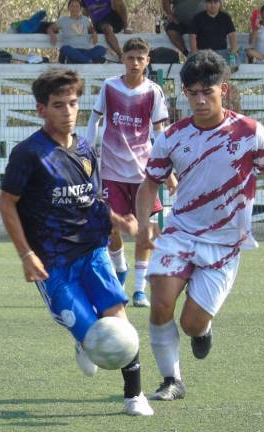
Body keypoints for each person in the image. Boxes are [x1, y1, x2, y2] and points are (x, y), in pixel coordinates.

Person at [134, 50, 264, 401]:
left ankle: (202, 330)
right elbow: (150, 184)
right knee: (161, 303)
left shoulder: (250, 132)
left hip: (225, 242)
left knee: (191, 323)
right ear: (184, 94)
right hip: (181, 233)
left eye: (207, 92)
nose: (200, 100)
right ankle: (171, 380)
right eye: (192, 93)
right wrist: (145, 224)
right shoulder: (172, 136)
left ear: (224, 89)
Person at [0, 68, 153, 416]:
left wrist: (119, 221)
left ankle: (134, 396)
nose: (68, 112)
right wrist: (25, 254)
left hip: (92, 250)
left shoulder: (85, 147)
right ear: (41, 110)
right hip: (53, 263)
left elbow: (92, 199)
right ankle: (84, 343)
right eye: (58, 105)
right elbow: (7, 203)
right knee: (92, 334)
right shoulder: (29, 154)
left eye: (72, 103)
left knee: (119, 321)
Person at [86, 38, 176, 308]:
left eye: (140, 58)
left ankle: (139, 289)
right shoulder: (109, 86)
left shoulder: (154, 92)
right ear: (123, 59)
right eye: (130, 57)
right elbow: (94, 119)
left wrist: (167, 170)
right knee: (111, 227)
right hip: (111, 169)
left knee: (144, 229)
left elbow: (160, 133)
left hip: (142, 173)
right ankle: (120, 267)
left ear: (147, 61)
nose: (135, 62)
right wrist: (87, 155)